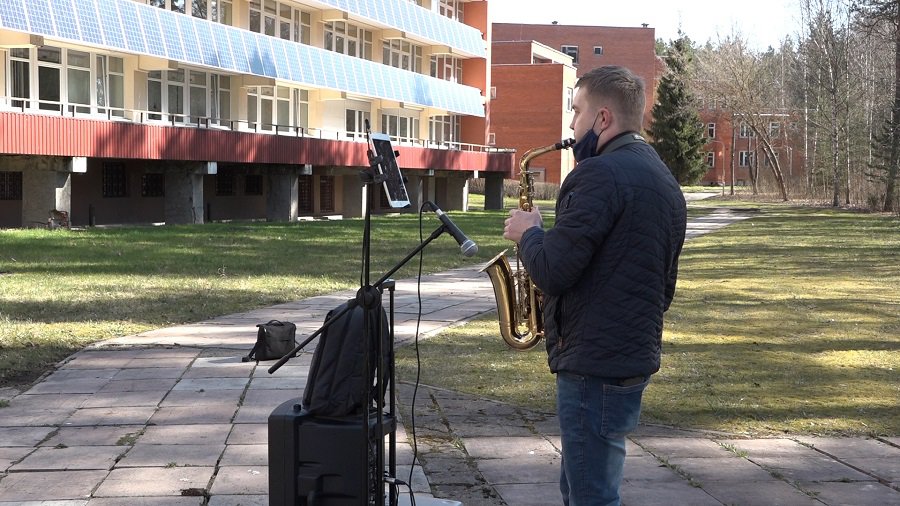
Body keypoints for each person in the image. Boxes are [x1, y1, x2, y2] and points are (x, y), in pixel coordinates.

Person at [503, 65, 687, 505]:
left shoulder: (597, 175)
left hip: (593, 365)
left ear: (602, 118)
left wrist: (530, 233)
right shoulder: (663, 179)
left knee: (590, 495)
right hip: (628, 357)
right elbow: (663, 288)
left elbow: (552, 271)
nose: (570, 124)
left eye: (576, 110)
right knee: (585, 486)